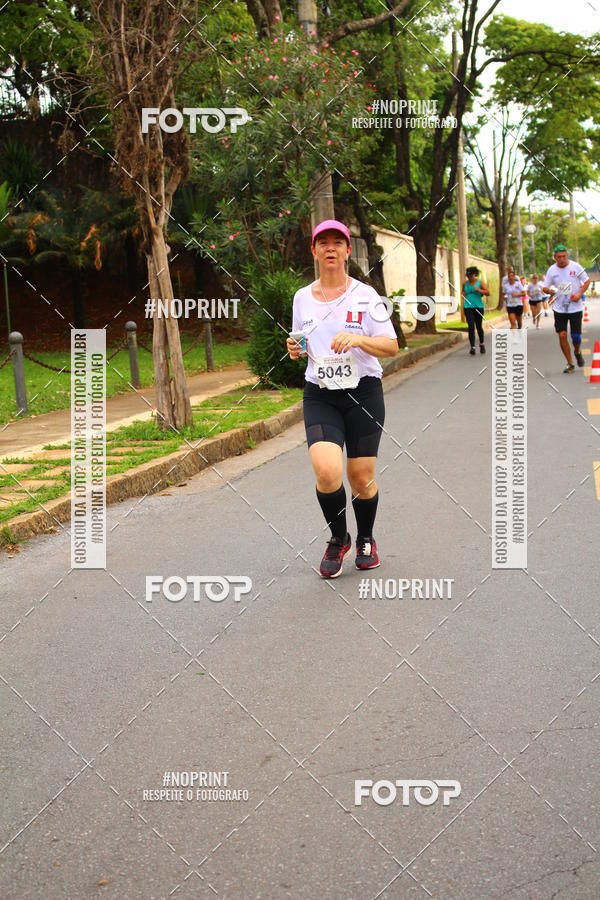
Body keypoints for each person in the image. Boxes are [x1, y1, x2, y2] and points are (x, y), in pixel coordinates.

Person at [286, 219, 398, 578]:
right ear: (314, 251)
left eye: (338, 242)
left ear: (348, 251)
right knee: (327, 470)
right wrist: (293, 348)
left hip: (363, 391)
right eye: (324, 243)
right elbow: (299, 344)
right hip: (320, 393)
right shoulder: (302, 297)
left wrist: (360, 339)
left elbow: (392, 346)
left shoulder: (367, 296)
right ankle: (338, 538)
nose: (331, 248)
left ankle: (366, 537)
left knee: (361, 477)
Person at [542, 244, 591, 373]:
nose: (561, 259)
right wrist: (549, 290)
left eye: (564, 256)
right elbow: (545, 287)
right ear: (555, 257)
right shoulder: (552, 270)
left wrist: (579, 294)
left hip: (575, 307)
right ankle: (570, 363)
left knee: (576, 337)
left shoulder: (576, 267)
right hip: (560, 308)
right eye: (559, 257)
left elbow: (586, 281)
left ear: (567, 256)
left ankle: (577, 351)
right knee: (562, 335)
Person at [462, 266, 489, 355]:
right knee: (470, 327)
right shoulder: (465, 283)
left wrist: (479, 290)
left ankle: (481, 344)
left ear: (474, 275)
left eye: (470, 276)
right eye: (468, 276)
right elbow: (463, 291)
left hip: (478, 307)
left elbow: (488, 292)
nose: (469, 277)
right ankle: (472, 347)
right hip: (468, 307)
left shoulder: (479, 282)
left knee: (479, 326)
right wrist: (463, 296)